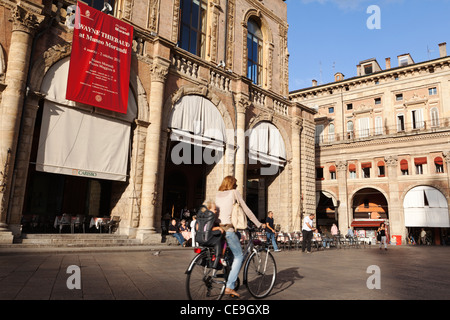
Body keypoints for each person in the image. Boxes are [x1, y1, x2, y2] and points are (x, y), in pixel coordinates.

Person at [215, 176, 264, 298]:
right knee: (239, 256)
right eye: (235, 184)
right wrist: (258, 223)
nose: (237, 186)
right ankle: (230, 286)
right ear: (232, 184)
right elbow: (246, 209)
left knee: (235, 241)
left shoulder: (218, 194)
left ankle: (229, 269)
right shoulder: (234, 192)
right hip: (228, 229)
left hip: (218, 230)